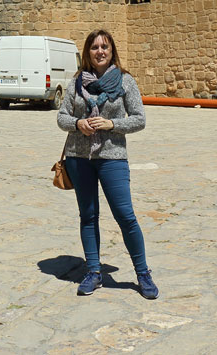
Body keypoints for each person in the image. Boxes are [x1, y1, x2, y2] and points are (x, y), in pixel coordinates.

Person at [56, 29, 157, 299]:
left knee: (125, 216)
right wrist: (79, 123)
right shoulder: (77, 82)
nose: (100, 51)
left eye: (105, 47)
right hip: (80, 159)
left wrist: (111, 124)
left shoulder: (125, 81)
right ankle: (93, 271)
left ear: (112, 51)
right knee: (88, 216)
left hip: (112, 158)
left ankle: (143, 273)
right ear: (87, 52)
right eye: (94, 47)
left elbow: (139, 119)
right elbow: (62, 116)